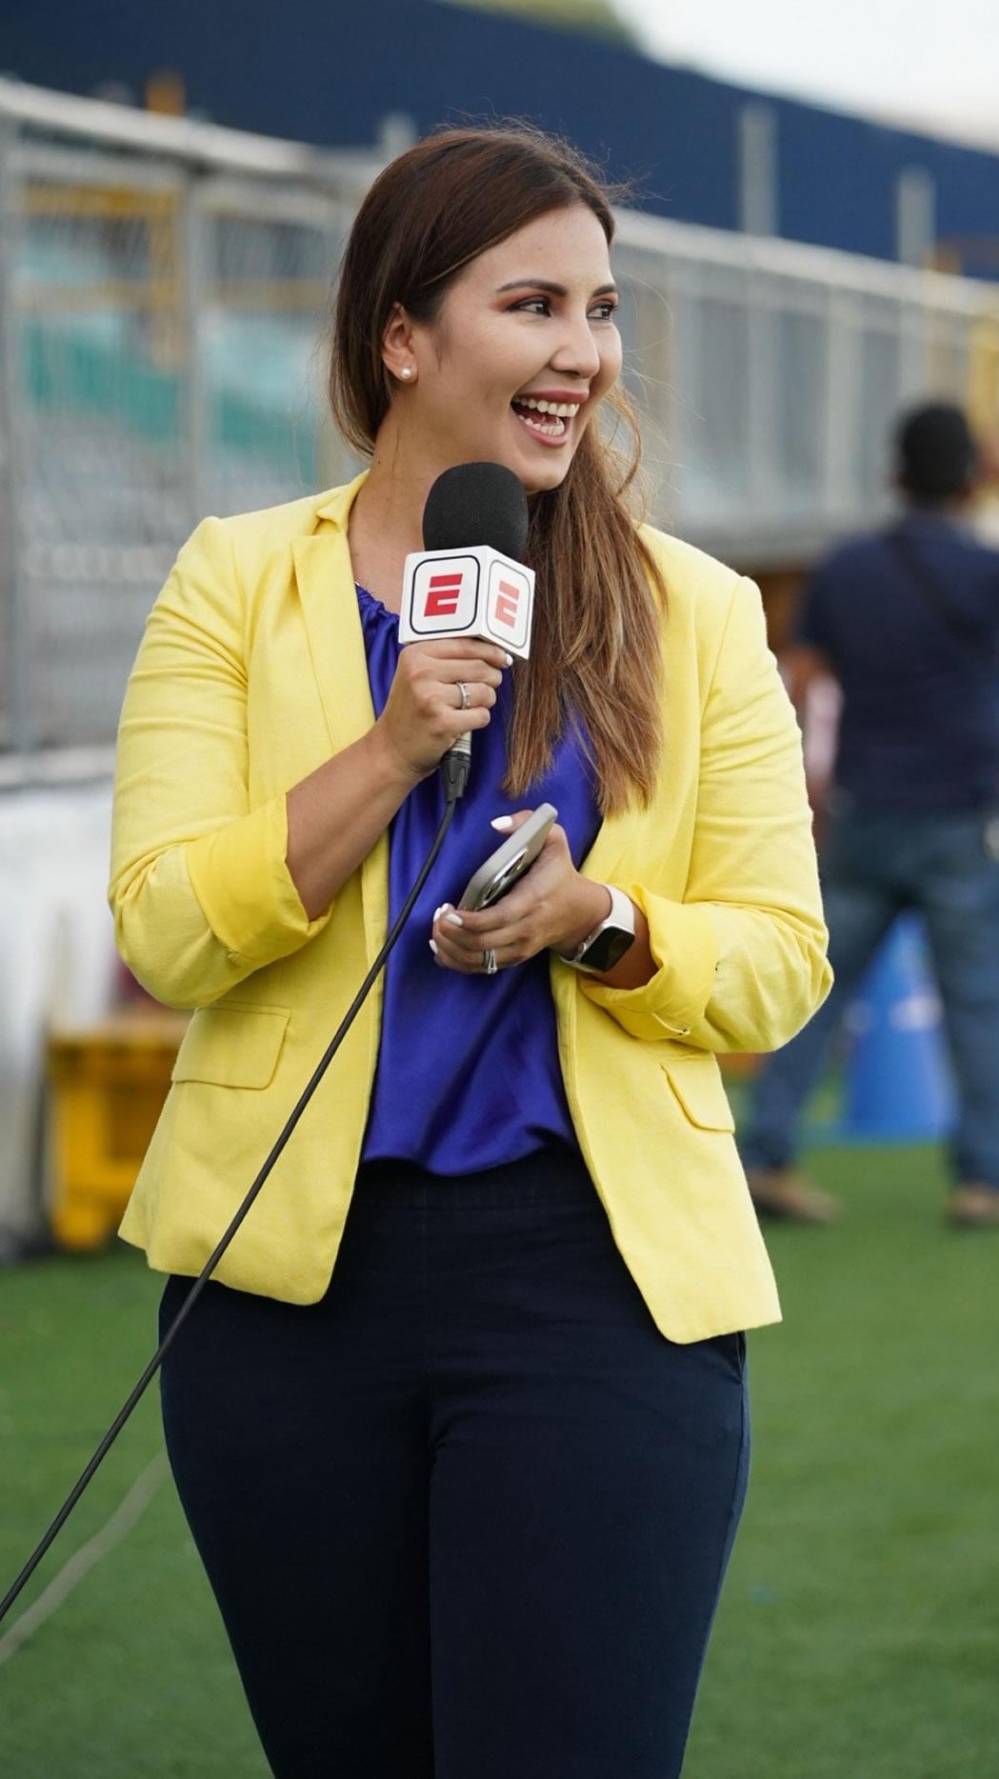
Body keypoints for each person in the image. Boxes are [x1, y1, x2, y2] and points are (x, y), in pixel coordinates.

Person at [108, 126, 831, 1779]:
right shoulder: (232, 581)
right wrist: (384, 748)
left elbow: (781, 957)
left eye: (603, 307)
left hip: (592, 1278)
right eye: (533, 304)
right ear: (402, 336)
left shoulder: (697, 610)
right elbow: (162, 927)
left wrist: (606, 918)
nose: (583, 350)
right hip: (281, 1299)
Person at [738, 400, 999, 1230]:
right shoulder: (989, 564)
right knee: (981, 1004)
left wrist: (798, 786)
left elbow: (794, 677)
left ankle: (765, 1156)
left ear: (894, 473)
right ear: (971, 479)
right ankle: (985, 1179)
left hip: (864, 812)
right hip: (965, 821)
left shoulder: (844, 569)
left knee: (814, 995)